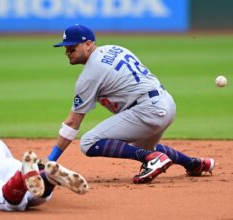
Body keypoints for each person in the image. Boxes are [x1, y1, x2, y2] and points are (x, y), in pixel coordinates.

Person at [46, 24, 215, 184]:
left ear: (88, 44)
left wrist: (49, 161)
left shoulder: (90, 75)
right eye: (66, 48)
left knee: (88, 142)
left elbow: (72, 122)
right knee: (141, 148)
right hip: (166, 103)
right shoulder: (115, 48)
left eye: (72, 47)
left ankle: (154, 159)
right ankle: (194, 164)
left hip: (148, 110)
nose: (67, 52)